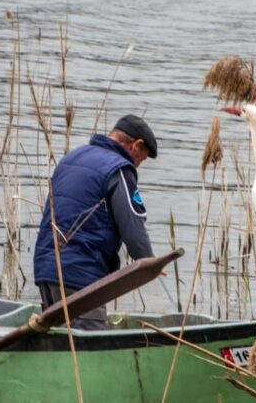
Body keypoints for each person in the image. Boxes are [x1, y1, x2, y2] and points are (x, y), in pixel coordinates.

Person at [33, 114, 160, 330]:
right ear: (136, 145)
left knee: (61, 346)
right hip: (81, 276)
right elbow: (133, 227)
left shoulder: (72, 157)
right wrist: (149, 264)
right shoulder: (119, 169)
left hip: (46, 269)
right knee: (89, 346)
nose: (138, 165)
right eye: (142, 158)